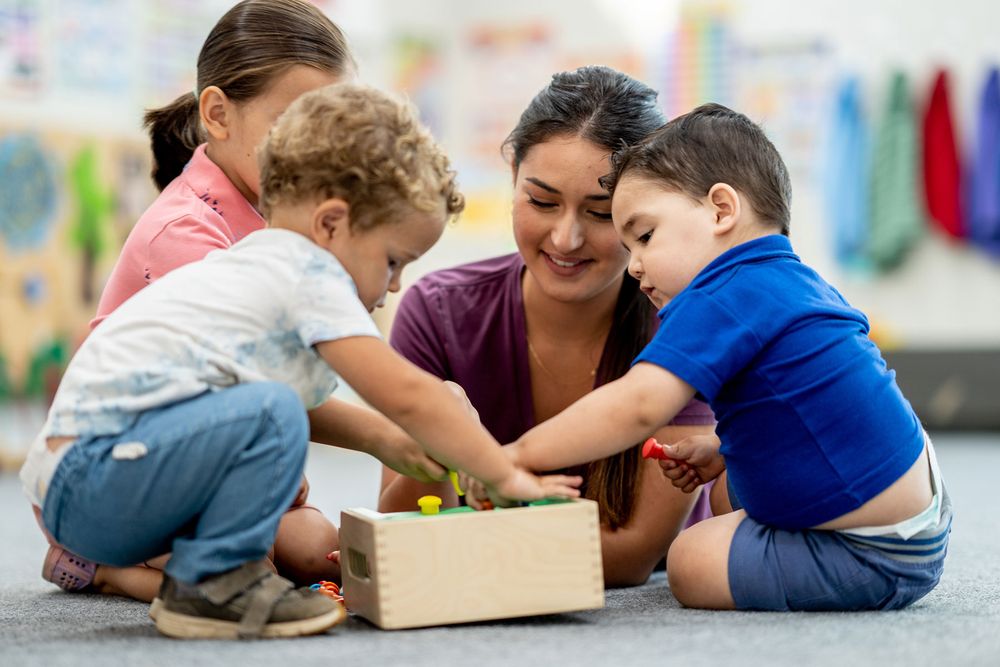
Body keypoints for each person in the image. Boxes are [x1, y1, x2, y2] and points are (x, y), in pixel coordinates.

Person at [20, 83, 581, 639]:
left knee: (276, 419)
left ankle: (204, 580)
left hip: (83, 495)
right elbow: (408, 394)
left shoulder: (260, 267)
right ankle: (216, 587)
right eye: (391, 260)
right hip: (95, 482)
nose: (394, 285)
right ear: (331, 224)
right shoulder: (307, 273)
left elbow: (326, 409)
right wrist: (502, 472)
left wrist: (393, 443)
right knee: (272, 414)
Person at [506, 102, 952, 611]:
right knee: (730, 483)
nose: (635, 267)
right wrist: (722, 446)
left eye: (646, 236)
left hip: (872, 550)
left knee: (691, 559)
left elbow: (637, 405)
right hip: (919, 516)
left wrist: (518, 455)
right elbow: (811, 410)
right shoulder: (794, 280)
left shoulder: (718, 294)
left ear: (721, 210)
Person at [37, 0, 354, 601]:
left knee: (318, 548)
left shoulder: (274, 216)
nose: (318, 157)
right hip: (110, 466)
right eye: (295, 130)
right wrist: (389, 433)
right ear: (218, 114)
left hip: (198, 451)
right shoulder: (184, 232)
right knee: (242, 563)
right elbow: (255, 391)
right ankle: (102, 565)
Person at [380, 66, 717, 587]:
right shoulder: (436, 310)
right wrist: (442, 440)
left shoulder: (686, 318)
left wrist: (471, 531)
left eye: (601, 213)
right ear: (512, 171)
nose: (565, 238)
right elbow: (404, 529)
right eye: (541, 201)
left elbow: (630, 558)